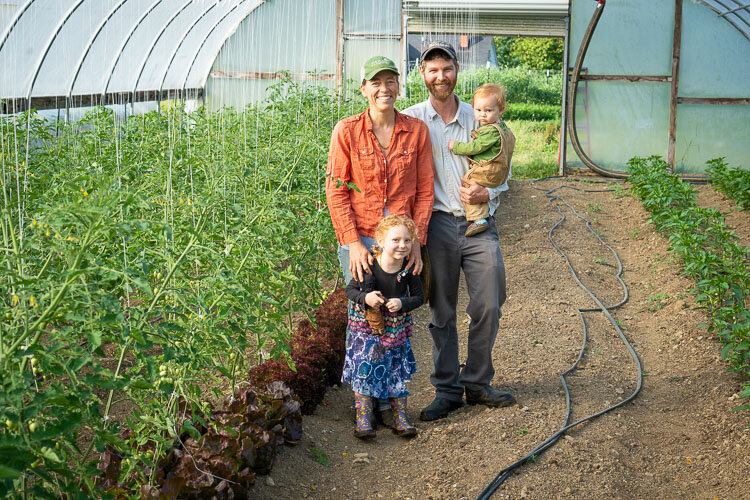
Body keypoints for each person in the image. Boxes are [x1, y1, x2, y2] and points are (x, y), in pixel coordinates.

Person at [402, 41, 516, 421]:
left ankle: (478, 383)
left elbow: (502, 165)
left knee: (489, 301)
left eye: (446, 68)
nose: (440, 76)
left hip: (478, 224)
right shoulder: (412, 120)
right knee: (441, 310)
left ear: (456, 71)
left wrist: (491, 189)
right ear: (422, 74)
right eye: (432, 69)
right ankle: (447, 389)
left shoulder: (479, 116)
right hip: (435, 224)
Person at [326, 56, 434, 425]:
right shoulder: (347, 131)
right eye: (376, 82)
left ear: (399, 86)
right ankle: (365, 401)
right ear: (363, 89)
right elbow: (337, 191)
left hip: (400, 239)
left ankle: (391, 403)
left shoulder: (416, 131)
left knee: (396, 314)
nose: (383, 89)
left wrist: (415, 241)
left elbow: (423, 190)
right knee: (364, 315)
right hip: (362, 236)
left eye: (390, 81)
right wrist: (353, 243)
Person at [343, 215, 425, 439]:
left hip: (395, 330)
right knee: (365, 367)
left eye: (407, 241)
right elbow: (350, 291)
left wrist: (402, 303)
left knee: (395, 370)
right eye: (395, 240)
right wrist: (367, 298)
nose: (402, 245)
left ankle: (400, 418)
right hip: (367, 328)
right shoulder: (369, 265)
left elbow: (419, 297)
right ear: (380, 241)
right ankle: (363, 418)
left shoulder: (408, 271)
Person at [448, 83, 515, 237]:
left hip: (490, 170)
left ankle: (478, 219)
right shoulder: (502, 127)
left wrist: (456, 146)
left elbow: (475, 148)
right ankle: (482, 214)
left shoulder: (490, 131)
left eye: (488, 110)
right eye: (478, 110)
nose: (482, 115)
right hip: (500, 170)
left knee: (468, 182)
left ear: (501, 110)